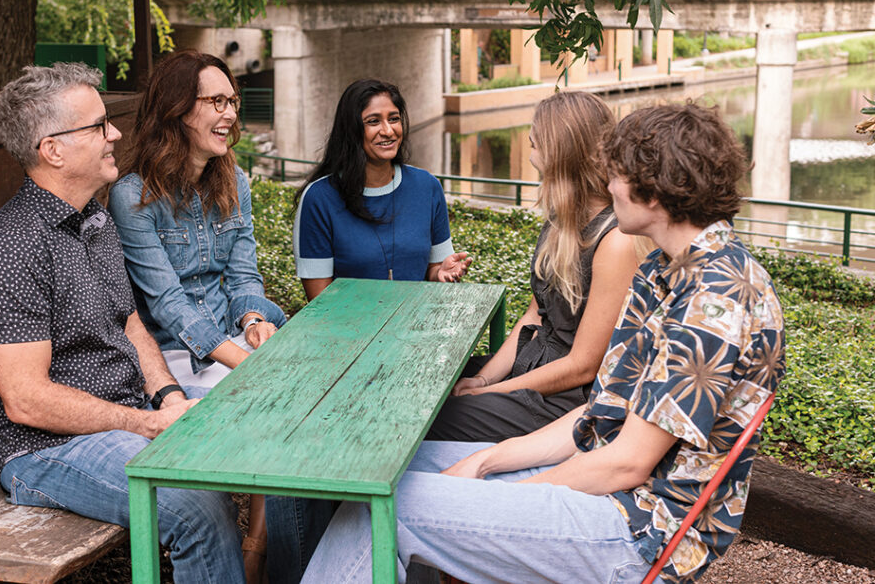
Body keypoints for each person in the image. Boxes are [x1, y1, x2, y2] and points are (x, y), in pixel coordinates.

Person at [299, 102, 786, 584]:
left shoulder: (714, 301)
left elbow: (627, 464)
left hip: (636, 528)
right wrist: (486, 460)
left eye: (616, 174)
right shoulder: (666, 270)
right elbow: (599, 412)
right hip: (594, 474)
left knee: (384, 507)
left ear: (654, 192)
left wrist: (504, 493)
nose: (609, 184)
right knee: (382, 471)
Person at [0, 63, 244, 583]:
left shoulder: (94, 220)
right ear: (53, 149)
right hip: (47, 450)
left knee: (274, 439)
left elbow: (131, 323)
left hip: (128, 417)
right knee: (197, 509)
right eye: (97, 126)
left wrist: (169, 398)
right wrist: (143, 423)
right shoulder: (11, 247)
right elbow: (25, 398)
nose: (115, 133)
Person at [106, 50, 310, 584]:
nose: (231, 115)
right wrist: (242, 360)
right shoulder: (133, 197)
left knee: (303, 409)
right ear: (177, 110)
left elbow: (244, 279)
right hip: (170, 362)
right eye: (217, 101)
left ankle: (260, 549)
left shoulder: (232, 182)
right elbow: (168, 305)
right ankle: (259, 556)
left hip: (226, 345)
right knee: (281, 410)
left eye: (233, 102)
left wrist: (251, 324)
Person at [427, 91, 639, 442]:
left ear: (561, 156)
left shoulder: (615, 241)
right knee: (424, 382)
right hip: (533, 365)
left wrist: (490, 393)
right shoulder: (561, 220)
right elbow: (533, 317)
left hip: (564, 402)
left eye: (535, 145)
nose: (530, 157)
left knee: (426, 419)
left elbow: (582, 365)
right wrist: (482, 380)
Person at [293, 79, 471, 301]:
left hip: (416, 327)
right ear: (351, 129)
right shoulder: (319, 199)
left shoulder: (427, 187)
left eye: (394, 119)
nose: (388, 131)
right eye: (373, 121)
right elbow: (320, 302)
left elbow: (433, 270)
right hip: (348, 330)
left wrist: (441, 274)